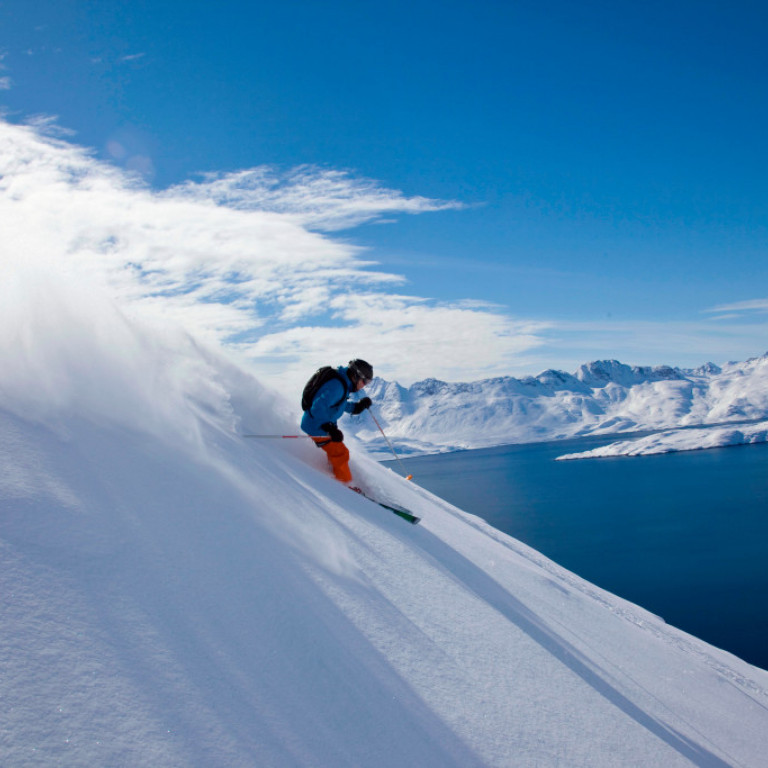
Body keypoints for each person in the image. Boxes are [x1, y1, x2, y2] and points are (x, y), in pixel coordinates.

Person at [301, 359, 373, 484]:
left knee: (337, 451)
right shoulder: (337, 386)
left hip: (320, 425)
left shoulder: (343, 383)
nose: (364, 385)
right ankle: (344, 485)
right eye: (365, 381)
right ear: (356, 376)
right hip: (317, 427)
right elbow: (318, 407)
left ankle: (336, 475)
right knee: (341, 454)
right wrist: (330, 428)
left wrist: (356, 407)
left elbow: (338, 404)